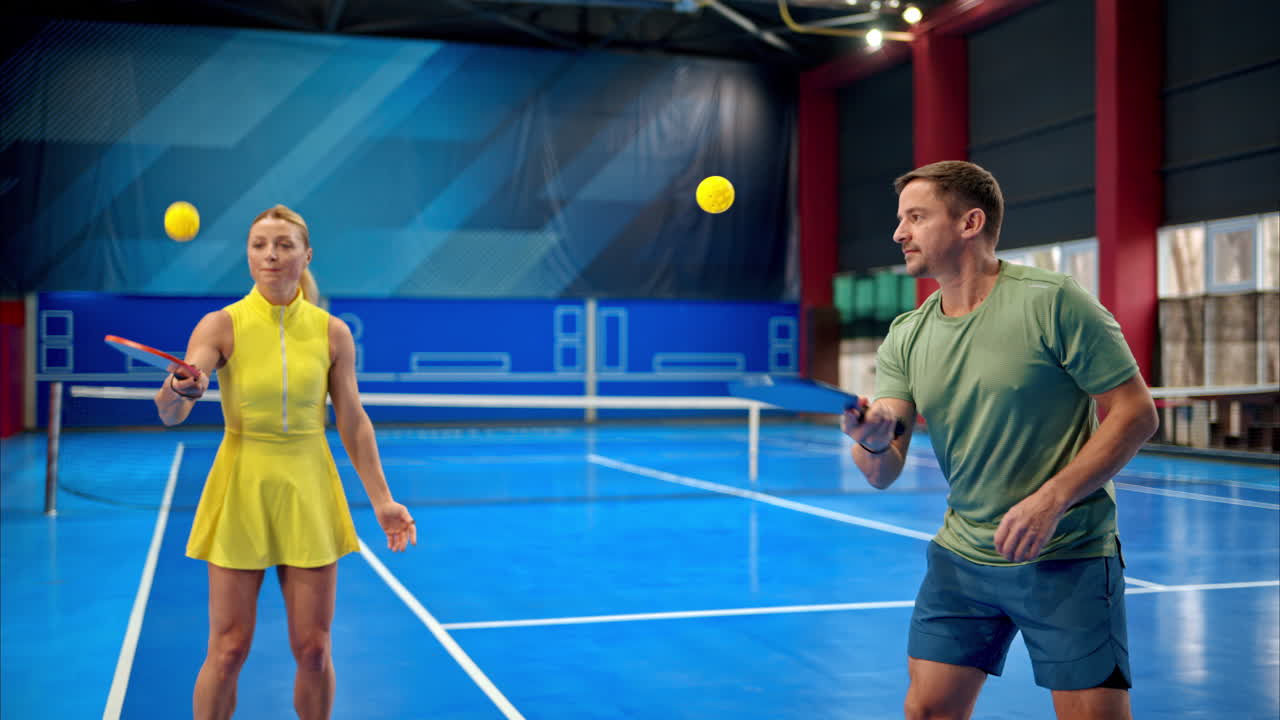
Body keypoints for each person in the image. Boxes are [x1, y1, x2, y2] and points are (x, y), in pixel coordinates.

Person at [842, 161, 1158, 720]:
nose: (898, 233)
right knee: (927, 711)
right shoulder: (907, 334)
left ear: (970, 222)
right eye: (900, 219)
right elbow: (883, 464)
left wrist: (1051, 499)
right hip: (961, 559)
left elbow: (1136, 413)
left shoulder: (1052, 301)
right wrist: (871, 439)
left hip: (1067, 557)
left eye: (915, 217)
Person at [154, 204, 417, 720]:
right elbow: (171, 411)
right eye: (259, 245)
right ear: (248, 255)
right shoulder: (221, 324)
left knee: (315, 649)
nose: (270, 254)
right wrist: (178, 387)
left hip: (309, 486)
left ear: (305, 254)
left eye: (283, 244)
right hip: (242, 485)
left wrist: (382, 500)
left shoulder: (331, 332)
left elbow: (353, 419)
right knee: (228, 649)